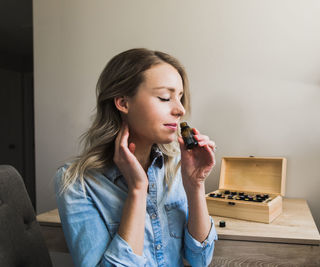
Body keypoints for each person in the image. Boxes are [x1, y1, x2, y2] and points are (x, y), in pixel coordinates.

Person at [54, 48, 218, 267]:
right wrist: (137, 191)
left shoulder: (179, 166)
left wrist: (195, 184)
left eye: (179, 97)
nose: (180, 110)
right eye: (164, 97)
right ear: (123, 103)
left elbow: (200, 259)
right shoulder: (77, 183)